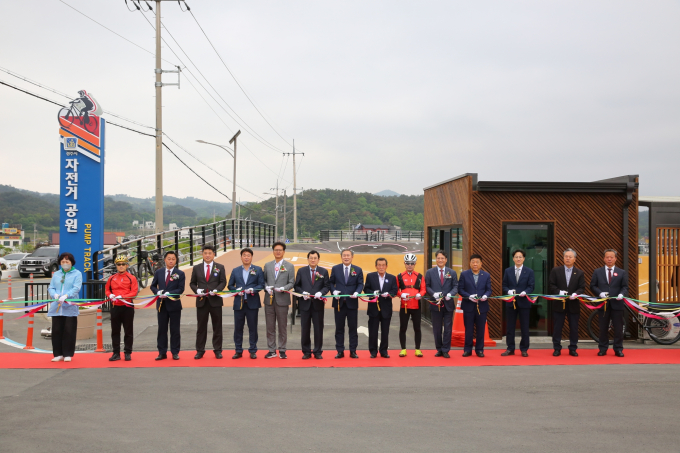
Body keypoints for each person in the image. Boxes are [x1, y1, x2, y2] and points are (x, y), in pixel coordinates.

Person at [190, 245, 227, 359]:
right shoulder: (197, 268)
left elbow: (223, 281)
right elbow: (192, 283)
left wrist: (217, 290)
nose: (207, 255)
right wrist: (197, 290)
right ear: (202, 254)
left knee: (217, 326)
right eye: (205, 253)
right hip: (202, 301)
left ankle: (217, 350)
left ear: (213, 254)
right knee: (201, 327)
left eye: (210, 253)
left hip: (215, 301)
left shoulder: (220, 267)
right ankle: (200, 350)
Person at [590, 249, 629, 357]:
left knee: (618, 328)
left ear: (616, 258)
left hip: (617, 304)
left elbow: (625, 287)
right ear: (604, 258)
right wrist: (600, 293)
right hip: (604, 304)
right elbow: (592, 285)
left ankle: (618, 349)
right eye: (607, 257)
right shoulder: (598, 271)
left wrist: (622, 294)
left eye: (611, 257)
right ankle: (603, 348)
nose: (609, 259)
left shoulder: (622, 272)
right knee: (603, 328)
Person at [548, 248, 586, 357]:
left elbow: (582, 287)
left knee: (573, 327)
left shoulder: (579, 273)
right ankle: (557, 348)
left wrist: (576, 294)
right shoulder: (556, 270)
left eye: (570, 257)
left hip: (573, 304)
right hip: (559, 303)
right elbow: (551, 285)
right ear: (563, 258)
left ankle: (573, 348)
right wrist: (559, 292)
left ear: (575, 259)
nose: (568, 258)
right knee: (557, 327)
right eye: (566, 256)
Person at [228, 248, 265, 359]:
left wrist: (253, 290)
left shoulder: (257, 269)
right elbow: (230, 285)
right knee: (238, 328)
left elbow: (261, 285)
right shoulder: (235, 271)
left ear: (251, 257)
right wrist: (236, 290)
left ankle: (253, 350)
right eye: (244, 255)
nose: (246, 257)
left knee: (252, 327)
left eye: (248, 255)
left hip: (252, 303)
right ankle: (238, 350)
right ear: (241, 257)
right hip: (239, 303)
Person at [293, 250, 330, 359]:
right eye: (311, 258)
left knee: (318, 328)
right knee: (305, 328)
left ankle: (318, 351)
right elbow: (297, 286)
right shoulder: (301, 271)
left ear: (318, 259)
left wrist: (321, 293)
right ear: (308, 259)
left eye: (315, 258)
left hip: (318, 304)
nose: (313, 260)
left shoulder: (323, 271)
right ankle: (306, 351)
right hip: (305, 304)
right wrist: (302, 293)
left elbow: (326, 286)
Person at [47, 253, 83, 363]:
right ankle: (58, 354)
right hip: (57, 306)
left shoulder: (77, 274)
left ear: (72, 262)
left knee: (69, 330)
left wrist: (66, 296)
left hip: (70, 306)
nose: (65, 264)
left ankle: (68, 353)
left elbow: (76, 288)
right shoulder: (56, 274)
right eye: (63, 262)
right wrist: (55, 295)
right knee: (57, 330)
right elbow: (51, 287)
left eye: (67, 262)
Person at [329, 249, 364, 358]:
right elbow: (330, 282)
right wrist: (333, 291)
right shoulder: (336, 268)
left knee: (353, 328)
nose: (346, 257)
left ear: (352, 257)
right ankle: (340, 350)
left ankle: (353, 350)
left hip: (352, 303)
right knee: (339, 328)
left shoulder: (357, 270)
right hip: (339, 303)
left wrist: (357, 292)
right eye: (344, 255)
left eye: (348, 255)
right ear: (341, 257)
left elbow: (360, 284)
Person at [150, 251, 185, 361]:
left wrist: (170, 293)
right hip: (162, 304)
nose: (171, 260)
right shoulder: (159, 272)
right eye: (169, 258)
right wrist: (158, 292)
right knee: (162, 329)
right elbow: (153, 286)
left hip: (174, 304)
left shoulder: (180, 273)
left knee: (175, 329)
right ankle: (162, 352)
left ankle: (175, 352)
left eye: (173, 259)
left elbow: (180, 289)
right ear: (165, 260)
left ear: (176, 260)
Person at [263, 242, 295, 359]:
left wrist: (284, 288)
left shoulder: (289, 266)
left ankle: (282, 350)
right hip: (269, 300)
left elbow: (292, 282)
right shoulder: (267, 265)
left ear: (284, 251)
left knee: (282, 326)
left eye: (280, 250)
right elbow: (264, 280)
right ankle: (271, 350)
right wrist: (266, 287)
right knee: (270, 326)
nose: (278, 252)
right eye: (276, 250)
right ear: (273, 251)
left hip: (282, 300)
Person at [501, 249, 535, 357]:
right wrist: (508, 291)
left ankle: (524, 349)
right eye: (516, 257)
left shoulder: (529, 271)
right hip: (511, 302)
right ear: (513, 259)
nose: (518, 259)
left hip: (524, 302)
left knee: (524, 327)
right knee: (510, 327)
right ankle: (510, 348)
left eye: (520, 257)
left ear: (524, 258)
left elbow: (531, 286)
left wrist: (526, 292)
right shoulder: (508, 271)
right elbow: (504, 285)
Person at [425, 250, 458, 358]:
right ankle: (439, 349)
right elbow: (427, 286)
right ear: (436, 259)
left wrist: (451, 294)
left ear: (446, 260)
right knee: (437, 328)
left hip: (448, 304)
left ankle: (445, 350)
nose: (440, 260)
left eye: (442, 258)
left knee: (448, 328)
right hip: (435, 304)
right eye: (438, 258)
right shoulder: (430, 272)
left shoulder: (451, 272)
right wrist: (433, 294)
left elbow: (455, 286)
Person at [105, 255, 139, 361]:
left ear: (127, 265)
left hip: (127, 306)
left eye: (123, 264)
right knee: (115, 331)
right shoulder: (111, 278)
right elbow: (107, 290)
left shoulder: (131, 278)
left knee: (128, 330)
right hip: (115, 307)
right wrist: (109, 295)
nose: (121, 266)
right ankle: (116, 353)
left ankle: (128, 352)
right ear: (116, 266)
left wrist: (123, 296)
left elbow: (134, 292)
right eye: (119, 264)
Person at [458, 254, 492, 357]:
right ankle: (467, 350)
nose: (475, 264)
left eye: (477, 262)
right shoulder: (464, 274)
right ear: (470, 263)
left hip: (482, 306)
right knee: (469, 329)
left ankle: (479, 350)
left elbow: (489, 290)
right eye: (473, 262)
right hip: (468, 306)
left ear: (481, 263)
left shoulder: (486, 275)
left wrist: (486, 295)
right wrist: (469, 296)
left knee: (481, 329)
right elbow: (460, 289)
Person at [363, 257, 398, 358]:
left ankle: (384, 351)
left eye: (383, 265)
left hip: (386, 309)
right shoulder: (370, 276)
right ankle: (373, 351)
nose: (381, 267)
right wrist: (372, 293)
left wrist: (389, 294)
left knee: (385, 331)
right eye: (379, 265)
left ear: (386, 266)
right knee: (373, 331)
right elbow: (366, 290)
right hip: (373, 308)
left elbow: (394, 290)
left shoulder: (392, 277)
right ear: (376, 266)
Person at [396, 253, 426, 357]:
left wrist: (420, 294)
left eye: (412, 263)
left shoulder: (420, 276)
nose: (410, 265)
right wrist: (401, 294)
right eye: (408, 263)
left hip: (416, 306)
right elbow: (395, 290)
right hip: (404, 307)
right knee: (403, 328)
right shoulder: (400, 276)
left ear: (415, 264)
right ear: (404, 263)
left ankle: (417, 349)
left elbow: (423, 289)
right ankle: (403, 349)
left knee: (417, 328)